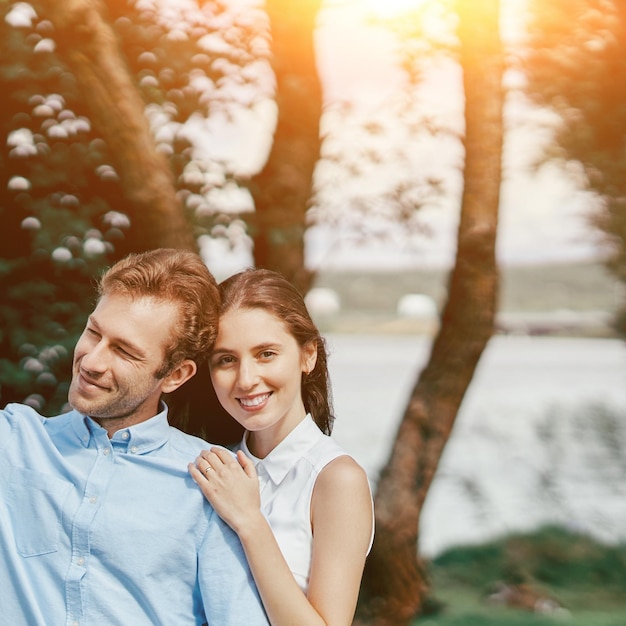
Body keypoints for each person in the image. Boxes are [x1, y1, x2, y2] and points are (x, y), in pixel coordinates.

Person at [0, 249, 269, 626]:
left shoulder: (213, 479)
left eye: (124, 352)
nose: (92, 361)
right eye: (93, 332)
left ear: (175, 375)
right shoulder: (13, 439)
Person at [189, 268, 374, 626]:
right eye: (226, 359)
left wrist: (249, 521)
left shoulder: (336, 480)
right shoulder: (211, 467)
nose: (246, 379)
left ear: (308, 356)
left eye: (266, 354)